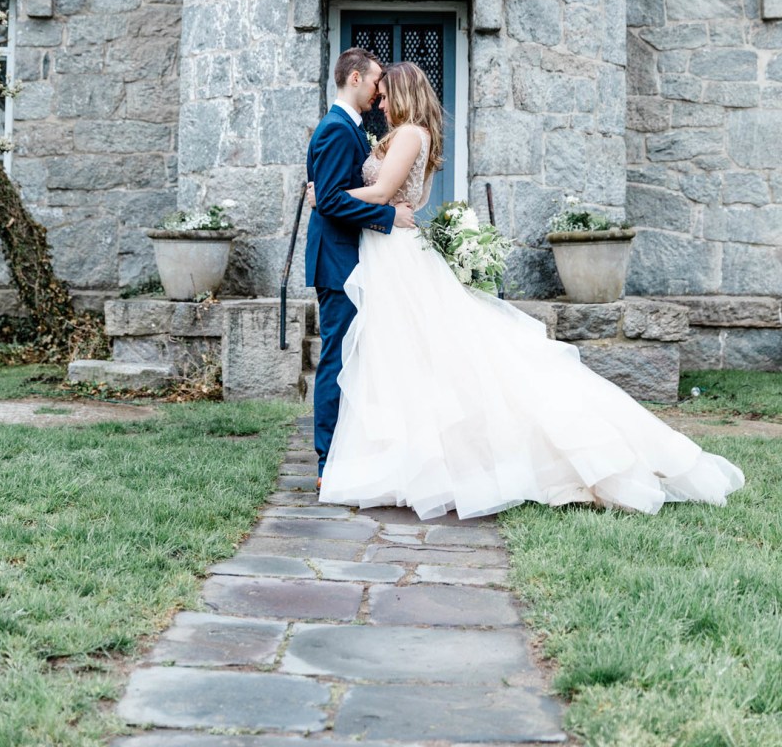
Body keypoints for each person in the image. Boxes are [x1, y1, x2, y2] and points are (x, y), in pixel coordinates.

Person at [309, 60, 745, 519]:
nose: (379, 98)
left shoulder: (410, 135)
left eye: (385, 91)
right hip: (383, 255)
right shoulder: (403, 135)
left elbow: (383, 197)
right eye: (377, 90)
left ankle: (431, 460)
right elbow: (399, 198)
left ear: (402, 93)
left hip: (394, 253)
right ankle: (396, 458)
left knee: (431, 357)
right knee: (400, 358)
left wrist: (326, 196)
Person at [305, 47, 416, 488]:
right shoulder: (335, 130)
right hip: (337, 260)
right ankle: (326, 460)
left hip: (354, 257)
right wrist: (389, 217)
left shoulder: (349, 129)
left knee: (357, 357)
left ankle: (351, 451)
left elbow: (330, 192)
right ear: (354, 78)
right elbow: (330, 201)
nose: (377, 91)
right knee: (337, 357)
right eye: (374, 82)